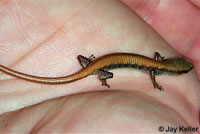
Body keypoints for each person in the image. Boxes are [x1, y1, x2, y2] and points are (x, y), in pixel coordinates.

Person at [0, 0, 199, 133]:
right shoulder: (155, 69)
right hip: (98, 66)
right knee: (106, 74)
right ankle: (102, 77)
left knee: (86, 61)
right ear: (171, 68)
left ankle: (96, 70)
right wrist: (155, 85)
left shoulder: (158, 63)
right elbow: (153, 72)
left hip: (95, 63)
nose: (185, 69)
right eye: (182, 69)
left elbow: (156, 60)